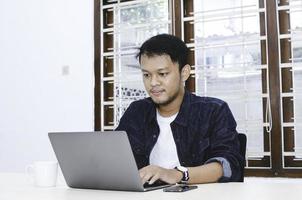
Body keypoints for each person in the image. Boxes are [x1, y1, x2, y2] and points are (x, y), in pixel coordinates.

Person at [116, 34, 244, 185]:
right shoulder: (137, 111)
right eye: (146, 75)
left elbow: (228, 166)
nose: (153, 82)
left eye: (162, 74)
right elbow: (114, 158)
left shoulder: (213, 111)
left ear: (184, 73)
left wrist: (176, 174)